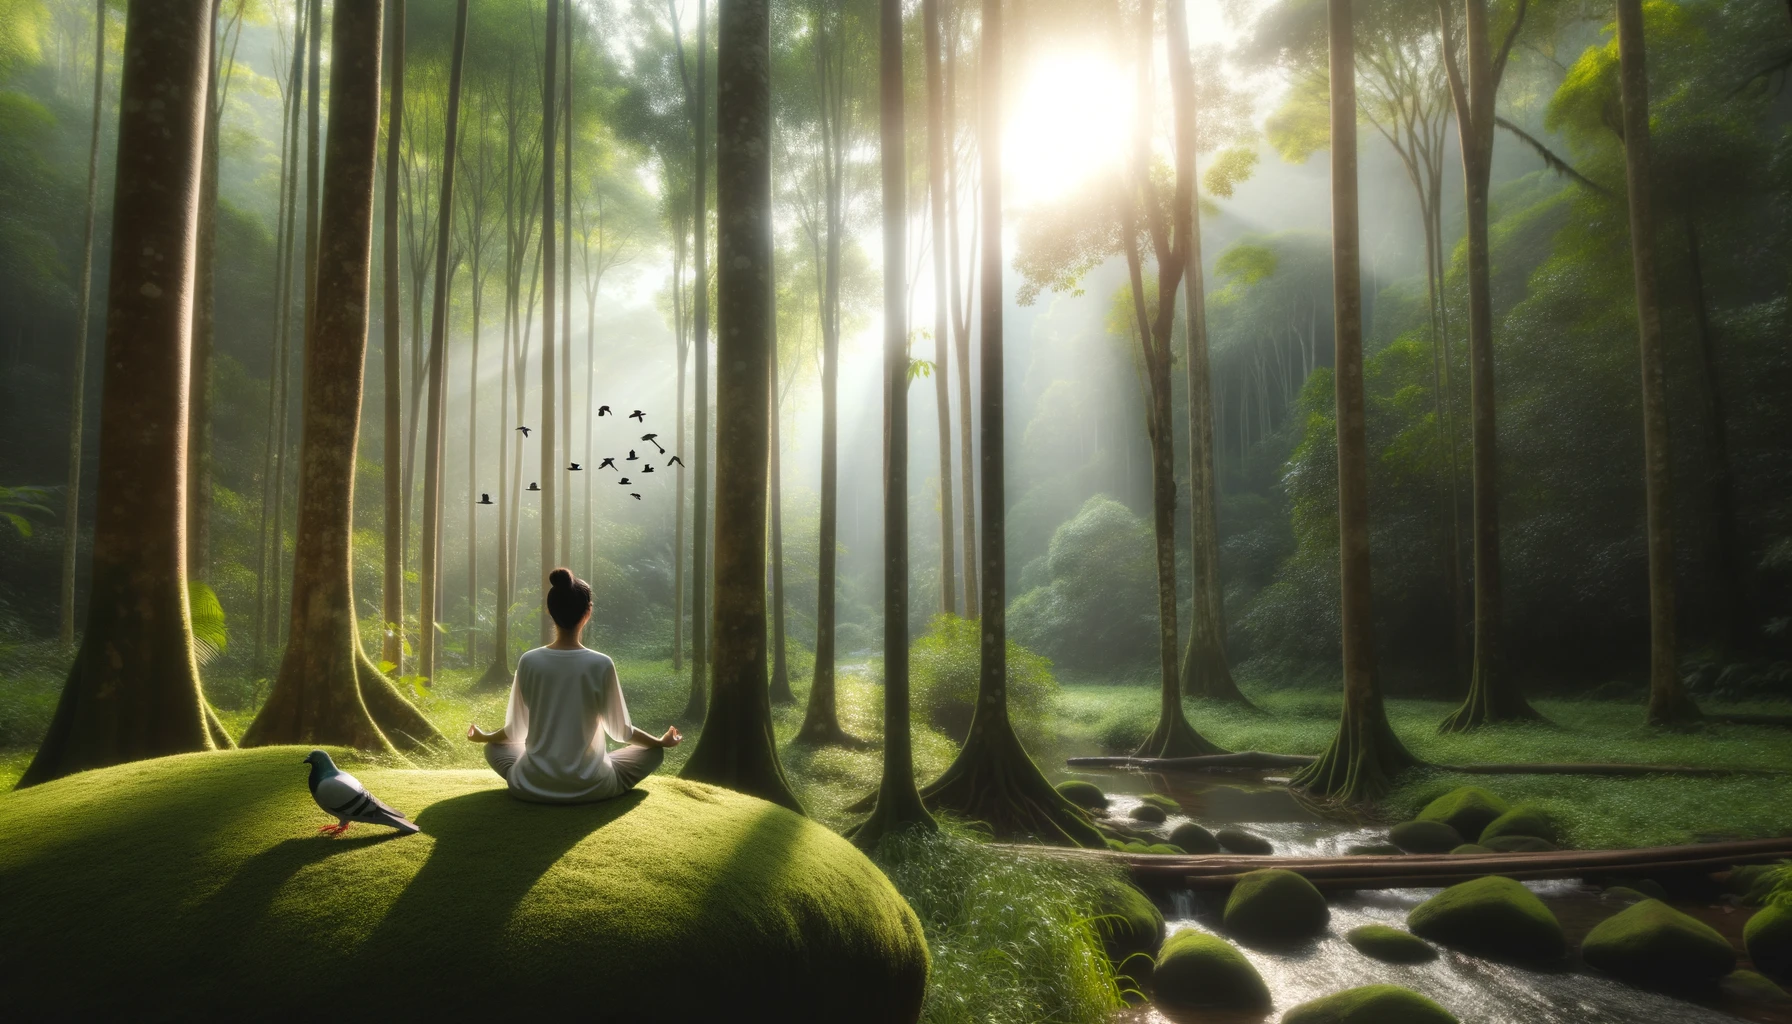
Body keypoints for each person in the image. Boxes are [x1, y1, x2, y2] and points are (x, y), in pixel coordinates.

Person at [467, 568, 681, 802]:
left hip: (530, 786)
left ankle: (536, 776)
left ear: (550, 611)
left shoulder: (529, 661)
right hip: (593, 787)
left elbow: (515, 732)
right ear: (588, 612)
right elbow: (621, 731)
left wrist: (485, 737)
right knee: (654, 754)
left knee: (493, 748)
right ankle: (597, 779)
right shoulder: (601, 664)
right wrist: (660, 742)